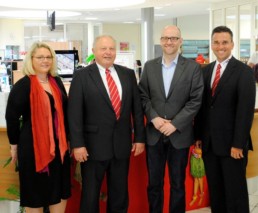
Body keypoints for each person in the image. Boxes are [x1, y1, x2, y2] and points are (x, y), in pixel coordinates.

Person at [68, 35, 145, 213]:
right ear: (94, 51)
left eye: (111, 48)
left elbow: (137, 109)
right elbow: (74, 113)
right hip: (92, 147)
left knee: (119, 194)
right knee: (90, 195)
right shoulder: (81, 76)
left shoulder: (127, 74)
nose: (108, 52)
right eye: (103, 48)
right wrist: (78, 144)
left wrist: (139, 138)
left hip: (121, 145)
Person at [138, 25, 204, 213]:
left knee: (178, 185)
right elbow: (143, 95)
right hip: (154, 134)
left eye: (174, 38)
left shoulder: (193, 68)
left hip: (179, 135)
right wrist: (154, 118)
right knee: (154, 184)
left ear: (180, 41)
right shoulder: (149, 66)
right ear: (160, 41)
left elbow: (195, 100)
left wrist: (175, 124)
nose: (169, 42)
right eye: (166, 38)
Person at [194, 26, 256, 213]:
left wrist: (238, 144)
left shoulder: (244, 72)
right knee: (217, 192)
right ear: (211, 44)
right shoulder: (206, 71)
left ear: (232, 44)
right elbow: (203, 108)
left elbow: (245, 112)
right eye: (216, 42)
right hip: (210, 144)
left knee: (235, 193)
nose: (220, 46)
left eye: (224, 42)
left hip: (232, 146)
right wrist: (199, 137)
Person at [5, 42, 71, 213]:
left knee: (59, 192)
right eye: (40, 57)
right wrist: (14, 146)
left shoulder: (56, 81)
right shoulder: (24, 85)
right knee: (35, 195)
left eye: (48, 57)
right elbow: (11, 117)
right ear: (31, 60)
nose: (45, 61)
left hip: (59, 149)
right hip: (33, 149)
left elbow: (65, 110)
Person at [189, 141, 205, 207]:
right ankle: (195, 196)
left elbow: (199, 155)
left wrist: (195, 153)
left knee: (200, 179)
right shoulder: (195, 146)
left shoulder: (201, 146)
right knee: (196, 180)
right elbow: (194, 152)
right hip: (195, 164)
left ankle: (201, 195)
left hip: (200, 165)